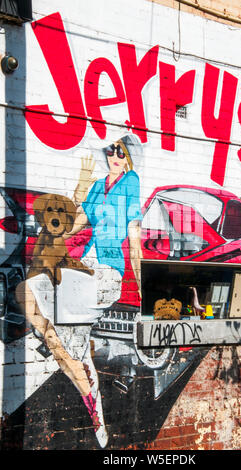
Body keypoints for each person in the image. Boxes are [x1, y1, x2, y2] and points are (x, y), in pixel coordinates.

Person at [15, 134, 143, 448]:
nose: (114, 155)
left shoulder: (131, 183)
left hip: (107, 274)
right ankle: (96, 415)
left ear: (128, 157)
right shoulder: (98, 186)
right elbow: (75, 224)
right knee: (26, 292)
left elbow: (135, 235)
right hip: (84, 268)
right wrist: (55, 218)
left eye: (120, 151)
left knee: (63, 324)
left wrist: (145, 291)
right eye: (111, 149)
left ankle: (58, 337)